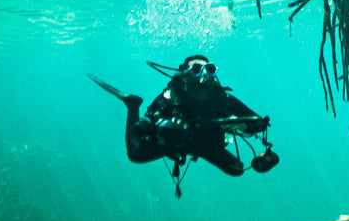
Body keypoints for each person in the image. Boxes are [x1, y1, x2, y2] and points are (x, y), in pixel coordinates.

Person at [91, 55, 278, 179]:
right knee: (135, 154)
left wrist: (244, 126)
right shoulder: (172, 94)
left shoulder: (223, 98)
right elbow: (151, 117)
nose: (204, 73)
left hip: (207, 145)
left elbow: (260, 122)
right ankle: (132, 105)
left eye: (209, 69)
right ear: (185, 73)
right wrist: (145, 123)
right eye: (197, 68)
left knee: (237, 171)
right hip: (174, 143)